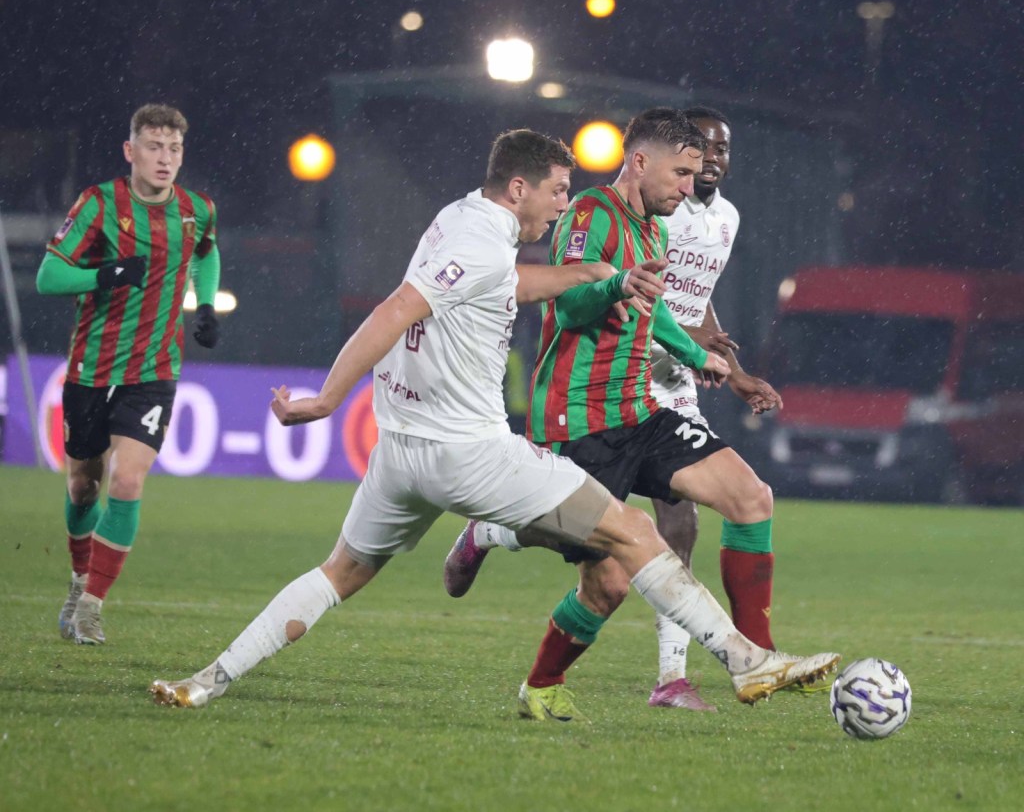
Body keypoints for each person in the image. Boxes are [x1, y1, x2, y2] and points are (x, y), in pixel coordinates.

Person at [149, 127, 838, 710]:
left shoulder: (461, 220)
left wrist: (593, 276)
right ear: (519, 190)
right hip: (469, 451)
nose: (563, 204)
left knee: (340, 573)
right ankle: (744, 659)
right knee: (632, 532)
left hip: (401, 453)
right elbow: (396, 309)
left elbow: (506, 282)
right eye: (557, 191)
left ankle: (207, 680)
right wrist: (327, 399)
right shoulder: (481, 242)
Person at [442, 108, 816, 722]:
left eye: (696, 176)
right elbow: (569, 307)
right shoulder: (591, 214)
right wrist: (616, 287)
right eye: (680, 174)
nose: (689, 188)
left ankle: (759, 659)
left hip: (640, 412)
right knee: (608, 584)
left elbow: (654, 310)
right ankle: (532, 660)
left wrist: (702, 356)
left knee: (751, 499)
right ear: (639, 161)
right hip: (577, 423)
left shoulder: (656, 232)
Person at [37, 104, 221, 645]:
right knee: (83, 484)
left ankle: (92, 605)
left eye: (174, 149)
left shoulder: (197, 209)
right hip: (91, 368)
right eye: (154, 147)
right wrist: (108, 272)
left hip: (155, 369)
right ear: (130, 151)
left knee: (128, 479)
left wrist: (204, 304)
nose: (165, 159)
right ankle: (78, 578)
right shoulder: (98, 204)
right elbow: (50, 275)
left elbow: (206, 253)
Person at [646, 106, 785, 711]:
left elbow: (695, 302)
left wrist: (736, 373)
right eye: (702, 148)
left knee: (679, 526)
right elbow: (633, 298)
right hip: (622, 375)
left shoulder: (726, 217)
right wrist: (686, 343)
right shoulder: (658, 211)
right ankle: (493, 527)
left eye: (723, 148)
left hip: (675, 383)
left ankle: (672, 678)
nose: (713, 159)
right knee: (579, 526)